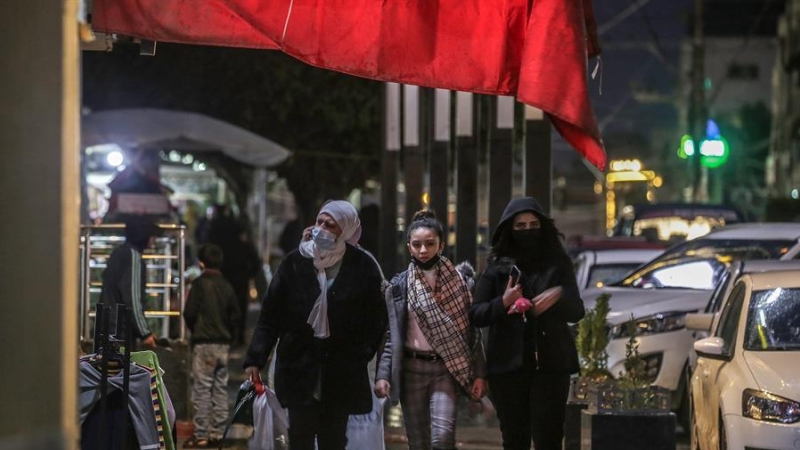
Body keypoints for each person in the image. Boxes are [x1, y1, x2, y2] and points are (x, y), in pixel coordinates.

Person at [243, 200, 387, 450]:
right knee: (300, 436)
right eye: (320, 221)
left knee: (334, 439)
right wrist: (256, 357)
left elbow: (376, 318)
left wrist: (363, 352)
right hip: (299, 366)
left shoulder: (362, 266)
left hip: (341, 370)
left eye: (330, 225)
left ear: (346, 230)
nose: (321, 228)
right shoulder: (294, 263)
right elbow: (270, 314)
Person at [469, 197, 585, 450]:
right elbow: (477, 314)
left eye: (533, 225)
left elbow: (577, 311)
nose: (527, 231)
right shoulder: (497, 268)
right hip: (508, 366)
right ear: (509, 229)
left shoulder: (558, 263)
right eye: (520, 226)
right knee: (514, 438)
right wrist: (504, 301)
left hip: (551, 364)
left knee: (549, 436)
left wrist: (556, 300)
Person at [374, 210, 486, 450]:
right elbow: (391, 337)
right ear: (409, 247)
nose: (423, 250)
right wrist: (383, 375)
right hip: (411, 369)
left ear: (441, 245)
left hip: (445, 369)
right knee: (418, 442)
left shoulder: (461, 283)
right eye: (417, 244)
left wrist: (479, 373)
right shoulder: (400, 286)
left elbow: (472, 335)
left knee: (442, 439)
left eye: (429, 244)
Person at [183, 243, 241, 448]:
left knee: (202, 389)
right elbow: (235, 315)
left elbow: (189, 313)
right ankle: (217, 433)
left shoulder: (199, 285)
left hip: (204, 343)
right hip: (222, 345)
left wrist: (195, 330)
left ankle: (201, 435)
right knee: (220, 389)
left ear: (201, 263)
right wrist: (230, 337)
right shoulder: (227, 285)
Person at [96, 215, 159, 349]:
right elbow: (132, 299)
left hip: (106, 325)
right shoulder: (133, 257)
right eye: (152, 236)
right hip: (121, 330)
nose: (154, 240)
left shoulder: (118, 253)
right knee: (123, 369)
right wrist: (144, 333)